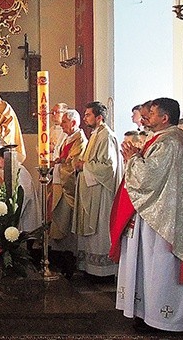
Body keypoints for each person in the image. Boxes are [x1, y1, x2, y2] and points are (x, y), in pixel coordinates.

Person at [112, 97, 183, 333]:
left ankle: (164, 319)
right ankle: (146, 314)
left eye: (151, 113)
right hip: (152, 213)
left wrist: (133, 158)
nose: (146, 117)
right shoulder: (161, 139)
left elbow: (148, 178)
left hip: (164, 218)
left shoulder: (170, 142)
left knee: (161, 267)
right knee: (148, 266)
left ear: (164, 118)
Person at [73, 101, 122, 278]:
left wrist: (83, 166)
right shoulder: (95, 134)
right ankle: (90, 269)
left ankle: (102, 272)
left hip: (101, 193)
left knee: (100, 230)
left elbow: (108, 167)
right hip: (92, 189)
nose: (85, 118)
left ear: (99, 117)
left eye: (88, 115)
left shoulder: (106, 136)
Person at [50, 109, 87, 278]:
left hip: (67, 188)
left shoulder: (80, 140)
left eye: (64, 122)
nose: (61, 124)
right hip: (59, 185)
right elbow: (65, 159)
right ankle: (59, 258)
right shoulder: (68, 138)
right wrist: (59, 161)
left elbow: (73, 167)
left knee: (66, 224)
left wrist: (61, 165)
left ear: (73, 123)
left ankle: (68, 261)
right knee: (57, 223)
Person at [0, 146, 41, 244]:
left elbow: (24, 195)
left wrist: (14, 215)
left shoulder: (20, 171)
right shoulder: (12, 170)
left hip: (26, 219)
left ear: (6, 158)